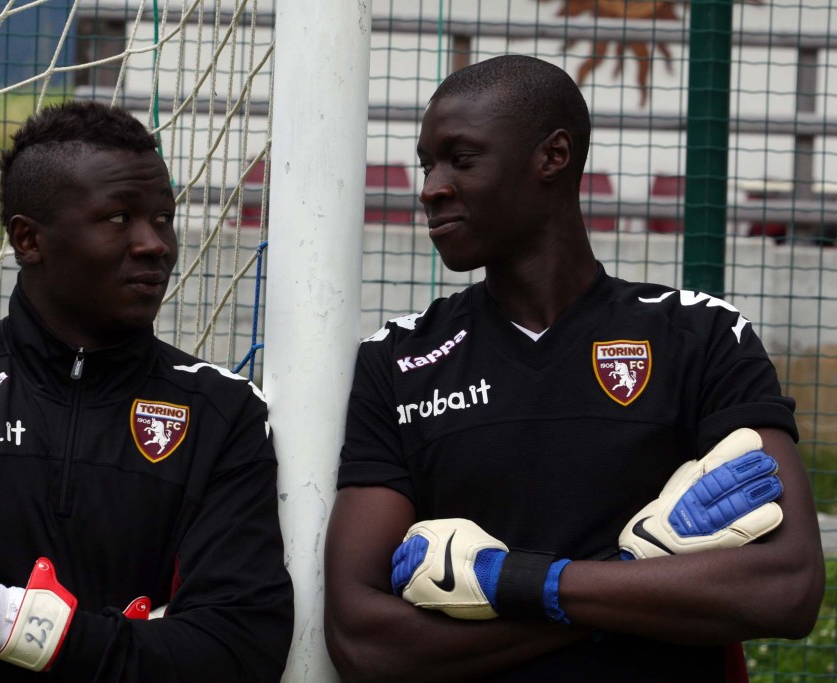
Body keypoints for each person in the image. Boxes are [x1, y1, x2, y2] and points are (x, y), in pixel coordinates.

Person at [323, 55, 825, 682]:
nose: (430, 187)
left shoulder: (700, 336)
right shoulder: (398, 360)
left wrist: (514, 582)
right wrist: (628, 577)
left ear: (553, 157)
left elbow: (787, 587)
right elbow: (364, 639)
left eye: (461, 158)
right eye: (428, 163)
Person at [0, 100, 294, 682]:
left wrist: (9, 627)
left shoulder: (223, 413)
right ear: (29, 240)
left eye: (163, 218)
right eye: (120, 218)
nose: (156, 244)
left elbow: (239, 653)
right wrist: (136, 643)